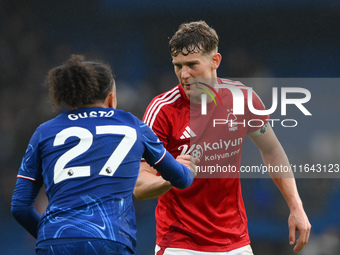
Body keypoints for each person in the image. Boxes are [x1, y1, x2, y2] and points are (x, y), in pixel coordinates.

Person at [133, 21, 311, 254]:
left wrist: (296, 206)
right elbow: (139, 183)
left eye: (192, 65)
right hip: (180, 243)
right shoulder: (162, 110)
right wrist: (170, 176)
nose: (184, 75)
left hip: (235, 242)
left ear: (215, 61)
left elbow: (272, 150)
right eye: (178, 66)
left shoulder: (242, 98)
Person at [11, 55, 197, 255]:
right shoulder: (132, 125)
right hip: (111, 240)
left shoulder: (44, 131)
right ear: (111, 98)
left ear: (73, 100)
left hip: (55, 241)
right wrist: (185, 169)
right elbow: (180, 178)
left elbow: (20, 207)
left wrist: (50, 236)